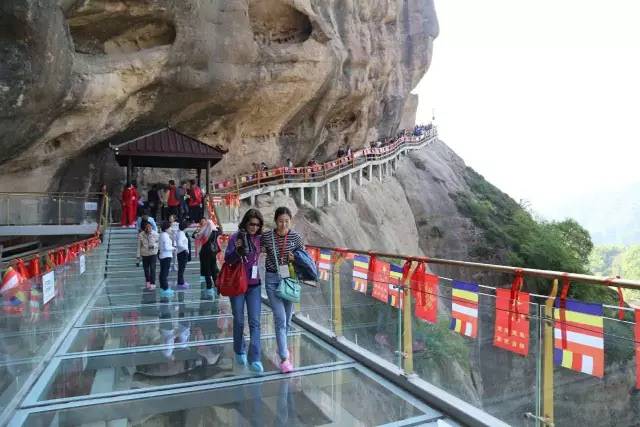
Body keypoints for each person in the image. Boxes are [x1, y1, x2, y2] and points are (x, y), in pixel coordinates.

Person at [260, 207, 304, 373]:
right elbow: (256, 245)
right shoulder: (268, 236)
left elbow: (304, 257)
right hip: (272, 280)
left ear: (290, 221)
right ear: (275, 221)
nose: (283, 224)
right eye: (280, 221)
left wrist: (296, 258)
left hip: (290, 280)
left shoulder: (295, 237)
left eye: (286, 221)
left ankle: (281, 348)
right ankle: (284, 359)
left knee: (287, 320)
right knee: (280, 318)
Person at [225, 209, 264, 373]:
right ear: (245, 223)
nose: (254, 227)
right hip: (237, 284)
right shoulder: (236, 237)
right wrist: (237, 252)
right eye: (251, 224)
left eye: (257, 224)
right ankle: (239, 349)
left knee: (255, 322)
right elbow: (228, 259)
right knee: (239, 319)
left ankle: (255, 357)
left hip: (254, 285)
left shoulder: (260, 240)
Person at [193, 218, 220, 299]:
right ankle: (216, 285)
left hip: (205, 252)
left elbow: (195, 236)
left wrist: (198, 231)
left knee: (207, 270)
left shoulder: (204, 232)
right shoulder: (215, 231)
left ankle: (209, 288)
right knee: (213, 269)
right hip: (213, 252)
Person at [137, 221, 159, 290]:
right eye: (147, 227)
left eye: (150, 227)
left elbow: (159, 243)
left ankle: (153, 283)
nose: (149, 228)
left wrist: (154, 246)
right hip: (144, 254)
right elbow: (138, 246)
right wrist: (138, 256)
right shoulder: (141, 235)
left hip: (153, 254)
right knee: (146, 269)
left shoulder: (155, 234)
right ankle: (148, 281)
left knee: (152, 269)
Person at [158, 221, 175, 298]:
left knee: (162, 272)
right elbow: (166, 247)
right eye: (170, 227)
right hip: (166, 256)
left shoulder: (163, 235)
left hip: (163, 256)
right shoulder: (165, 235)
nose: (171, 228)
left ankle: (162, 287)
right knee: (164, 273)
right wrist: (174, 248)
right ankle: (165, 287)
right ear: (167, 228)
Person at [175, 221, 190, 290]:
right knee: (181, 268)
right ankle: (180, 282)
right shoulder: (181, 234)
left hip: (181, 252)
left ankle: (181, 281)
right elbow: (179, 244)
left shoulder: (180, 233)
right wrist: (186, 249)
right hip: (182, 253)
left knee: (181, 268)